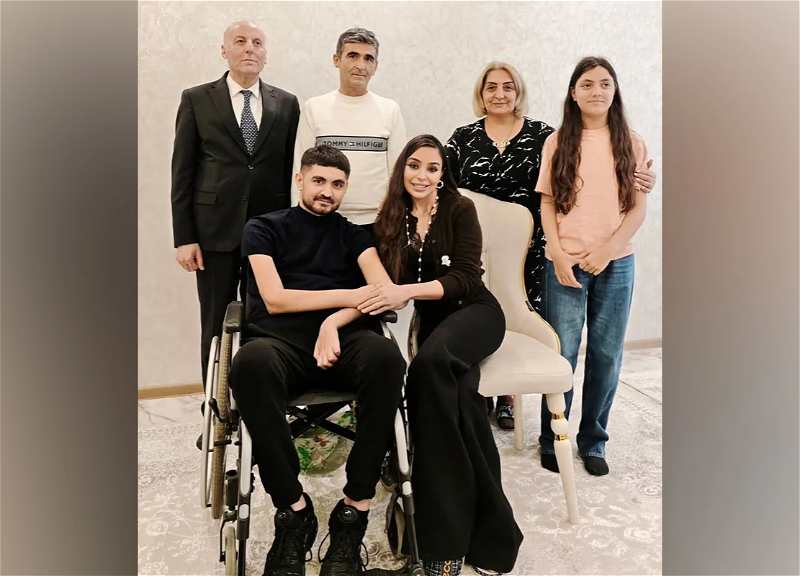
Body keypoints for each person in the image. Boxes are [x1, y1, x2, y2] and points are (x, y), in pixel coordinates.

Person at [445, 61, 657, 431]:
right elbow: (442, 182)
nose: (500, 94)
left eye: (508, 86)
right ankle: (517, 417)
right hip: (511, 254)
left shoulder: (558, 136)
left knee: (585, 348)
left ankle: (573, 427)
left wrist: (606, 247)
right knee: (536, 341)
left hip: (562, 255)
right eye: (491, 87)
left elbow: (630, 204)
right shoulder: (476, 138)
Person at [229, 145, 406, 576]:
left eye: (337, 184)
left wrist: (333, 322)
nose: (328, 191)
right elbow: (275, 298)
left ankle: (354, 508)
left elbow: (381, 291)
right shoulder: (263, 228)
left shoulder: (355, 236)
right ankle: (293, 511)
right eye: (319, 181)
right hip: (279, 345)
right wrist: (349, 296)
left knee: (387, 358)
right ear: (300, 180)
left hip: (344, 343)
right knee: (248, 365)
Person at [365, 135, 523, 576]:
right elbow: (379, 277)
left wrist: (404, 292)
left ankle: (444, 544)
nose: (422, 175)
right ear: (402, 169)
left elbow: (467, 278)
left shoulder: (459, 208)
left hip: (476, 314)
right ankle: (489, 540)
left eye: (432, 168)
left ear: (442, 174)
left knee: (427, 369)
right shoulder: (390, 218)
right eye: (414, 165)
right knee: (462, 402)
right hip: (435, 326)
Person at [170, 21, 300, 401]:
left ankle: (258, 404)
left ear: (265, 54)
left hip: (270, 234)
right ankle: (216, 408)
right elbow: (182, 172)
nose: (249, 48)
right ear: (224, 50)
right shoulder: (196, 99)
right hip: (214, 234)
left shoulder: (286, 103)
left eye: (257, 43)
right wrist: (184, 237)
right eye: (240, 41)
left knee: (266, 322)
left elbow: (290, 171)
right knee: (215, 325)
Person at [536, 56, 650, 477]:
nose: (596, 91)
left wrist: (608, 250)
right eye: (587, 84)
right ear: (573, 93)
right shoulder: (557, 142)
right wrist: (556, 251)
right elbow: (547, 202)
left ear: (615, 91)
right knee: (563, 355)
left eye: (605, 83)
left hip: (616, 264)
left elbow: (637, 209)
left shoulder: (632, 143)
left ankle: (593, 440)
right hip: (565, 263)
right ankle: (553, 438)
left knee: (606, 354)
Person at [291, 27, 406, 228]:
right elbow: (300, 169)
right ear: (337, 60)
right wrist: (298, 219)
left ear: (375, 66)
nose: (361, 65)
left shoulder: (390, 110)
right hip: (322, 219)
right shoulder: (314, 108)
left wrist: (394, 214)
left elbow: (398, 172)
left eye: (368, 58)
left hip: (376, 221)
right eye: (353, 56)